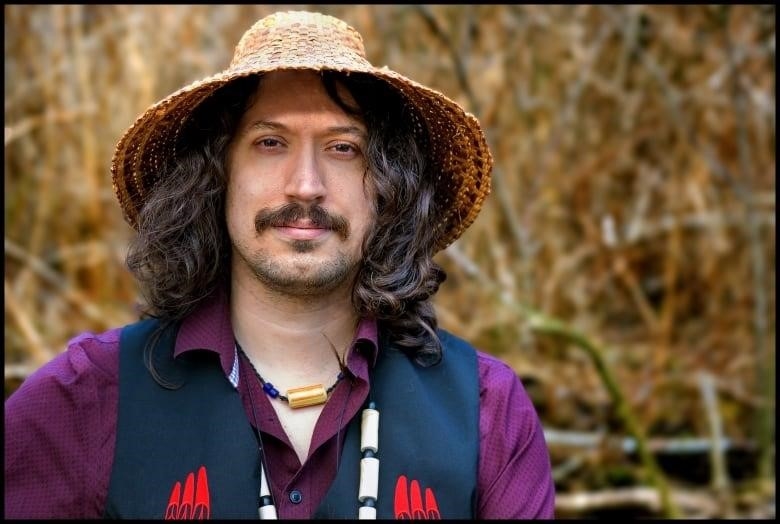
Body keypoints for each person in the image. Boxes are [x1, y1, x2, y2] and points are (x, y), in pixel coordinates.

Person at [4, 10, 555, 520]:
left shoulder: (486, 410)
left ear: (390, 187)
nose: (306, 186)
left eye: (344, 148)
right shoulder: (87, 398)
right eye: (270, 142)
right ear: (216, 176)